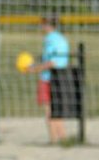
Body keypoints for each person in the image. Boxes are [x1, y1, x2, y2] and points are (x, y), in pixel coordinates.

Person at [27, 14, 70, 143]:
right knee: (57, 110)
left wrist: (34, 69)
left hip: (48, 78)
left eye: (42, 23)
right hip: (62, 77)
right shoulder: (62, 39)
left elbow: (52, 62)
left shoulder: (50, 39)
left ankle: (53, 140)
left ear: (46, 25)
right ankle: (63, 139)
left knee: (49, 110)